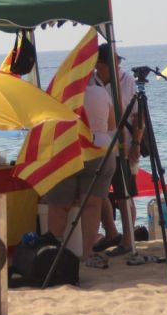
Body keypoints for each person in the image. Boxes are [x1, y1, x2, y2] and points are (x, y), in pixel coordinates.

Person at [43, 78, 116, 270]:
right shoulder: (101, 92)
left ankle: (55, 252)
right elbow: (111, 125)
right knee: (92, 206)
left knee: (59, 205)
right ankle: (87, 253)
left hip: (68, 150)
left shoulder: (62, 94)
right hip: (100, 149)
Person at [93, 42, 143, 256]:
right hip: (99, 146)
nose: (118, 66)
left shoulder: (127, 81)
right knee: (98, 192)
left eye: (118, 62)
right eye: (113, 62)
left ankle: (128, 241)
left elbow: (139, 116)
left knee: (124, 194)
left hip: (125, 144)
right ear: (100, 64)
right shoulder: (91, 81)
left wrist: (137, 144)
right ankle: (112, 233)